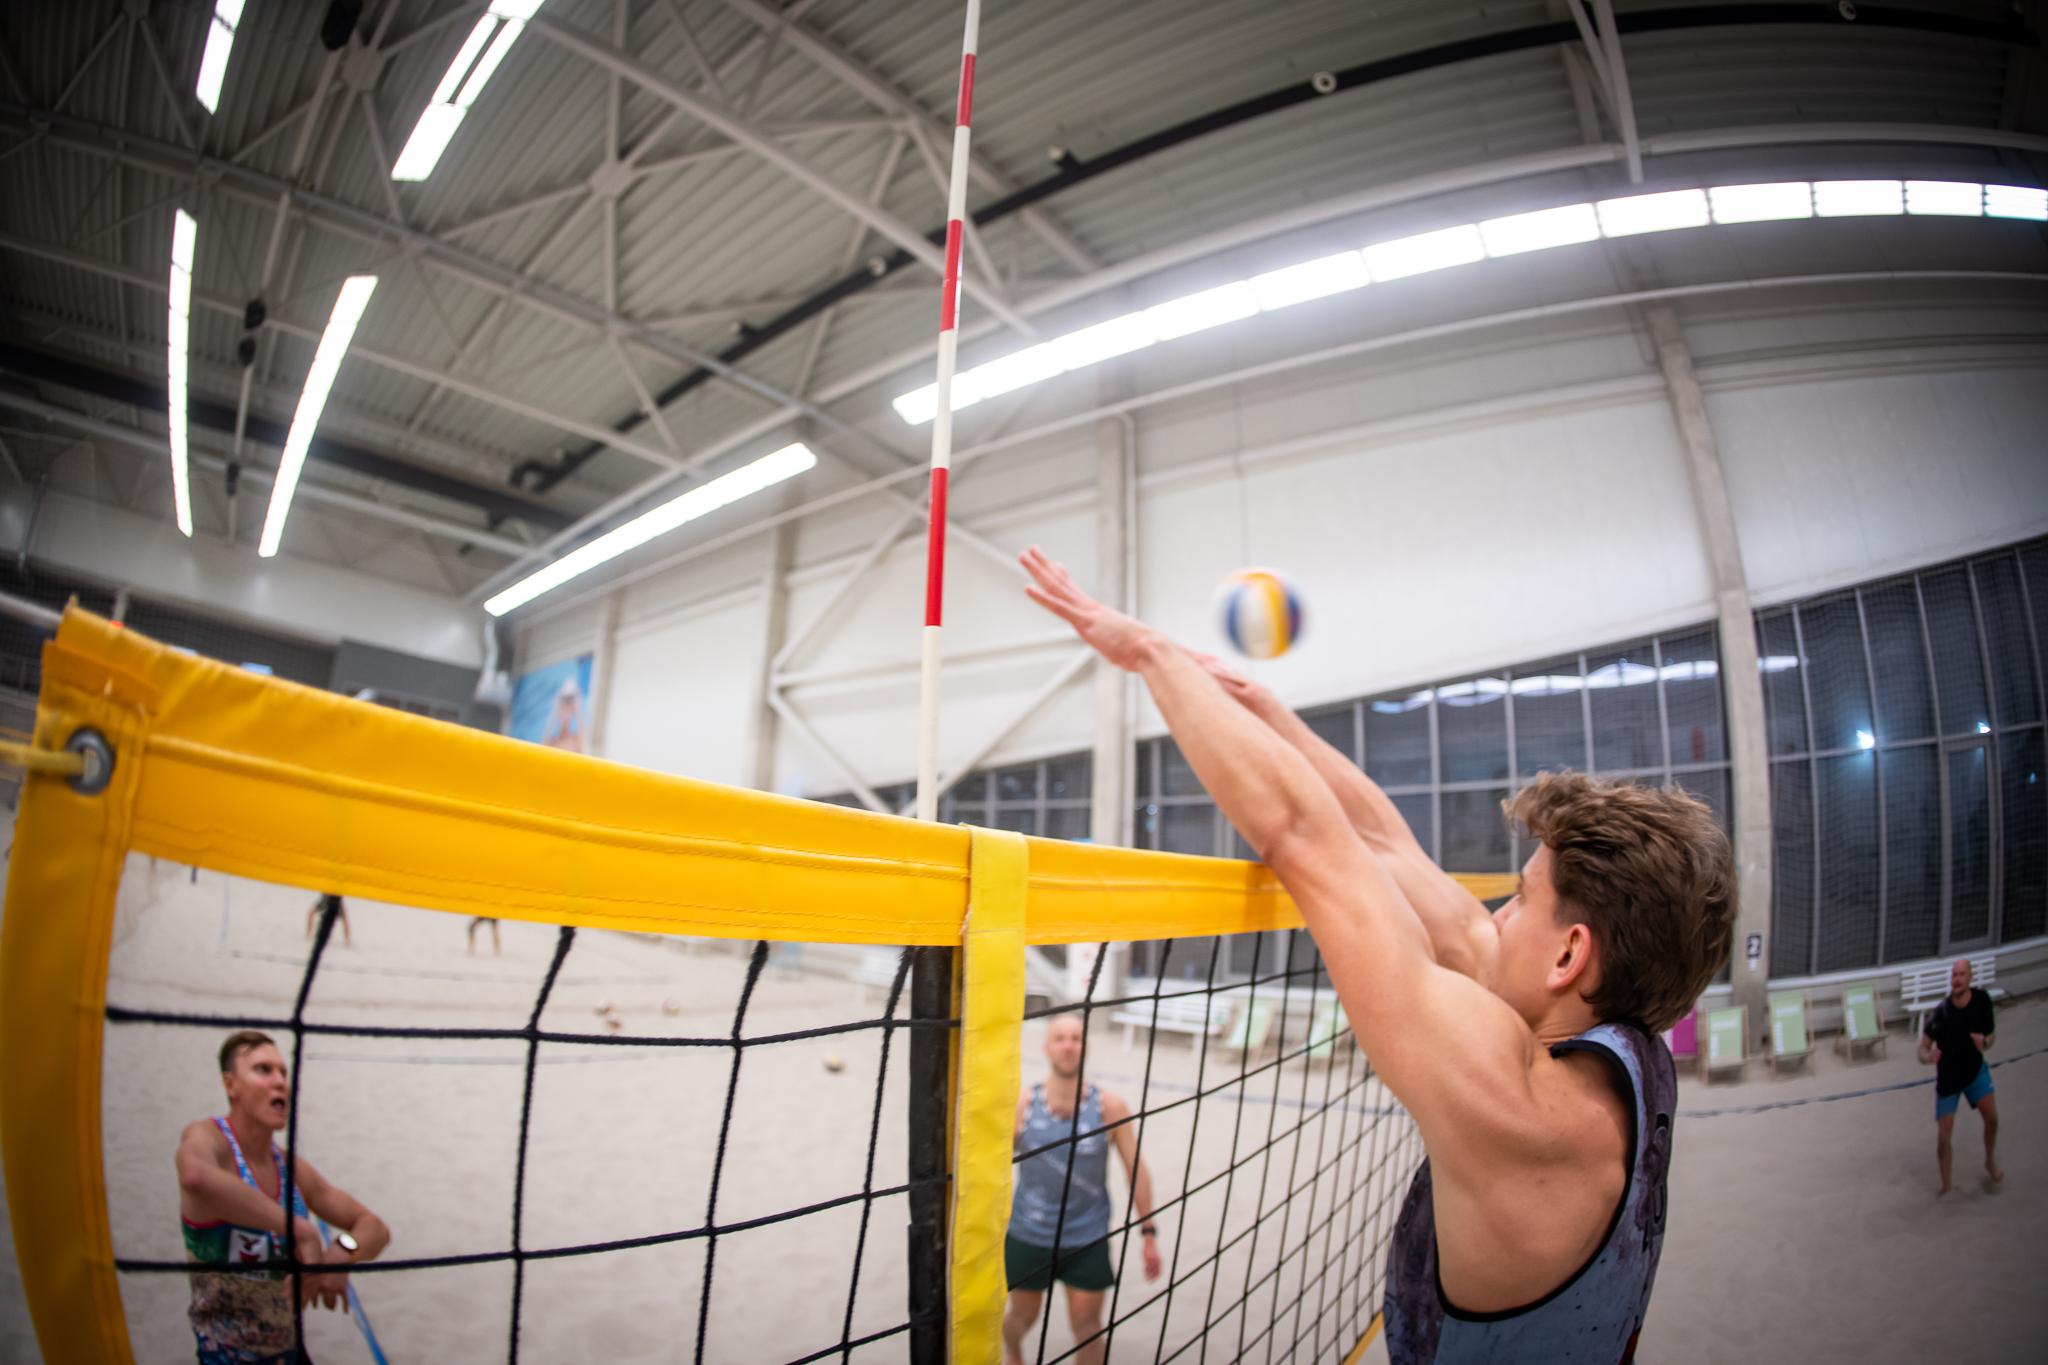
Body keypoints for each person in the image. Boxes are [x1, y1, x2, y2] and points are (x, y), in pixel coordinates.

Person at [1019, 547, 1734, 1364]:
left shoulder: (1514, 1099)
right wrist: (1269, 711)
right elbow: (1384, 843)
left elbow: (1302, 837)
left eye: (1520, 897)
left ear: (1570, 953)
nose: (1494, 916)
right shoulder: (1630, 1055)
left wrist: (1149, 653)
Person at [176, 1031, 390, 1364]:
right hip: (225, 1356)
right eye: (263, 1070)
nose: (279, 1082)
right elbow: (194, 1176)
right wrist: (301, 1230)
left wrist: (342, 1251)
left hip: (289, 1353)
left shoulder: (291, 1168)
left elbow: (375, 1227)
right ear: (231, 1085)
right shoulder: (210, 1138)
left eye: (283, 1072)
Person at [1004, 1012, 1162, 1365]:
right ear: (1047, 1047)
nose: (1068, 1046)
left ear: (1085, 1047)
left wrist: (1148, 1233)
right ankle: (1012, 1351)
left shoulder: (1109, 1107)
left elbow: (1135, 1169)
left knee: (1088, 1327)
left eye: (1076, 1038)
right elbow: (989, 1167)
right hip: (1029, 1233)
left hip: (1087, 1237)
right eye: (1060, 1038)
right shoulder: (1023, 1105)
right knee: (1022, 1319)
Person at [1919, 958, 2000, 1195]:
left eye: (1962, 974)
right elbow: (1922, 1048)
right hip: (1948, 1081)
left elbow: (1991, 1035)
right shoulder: (1941, 1013)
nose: (1957, 979)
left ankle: (1989, 1161)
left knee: (1992, 1120)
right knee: (1944, 1139)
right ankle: (1946, 1187)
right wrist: (1927, 1056)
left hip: (1975, 1072)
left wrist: (1985, 1042)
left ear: (1970, 977)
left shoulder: (1982, 1000)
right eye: (1954, 975)